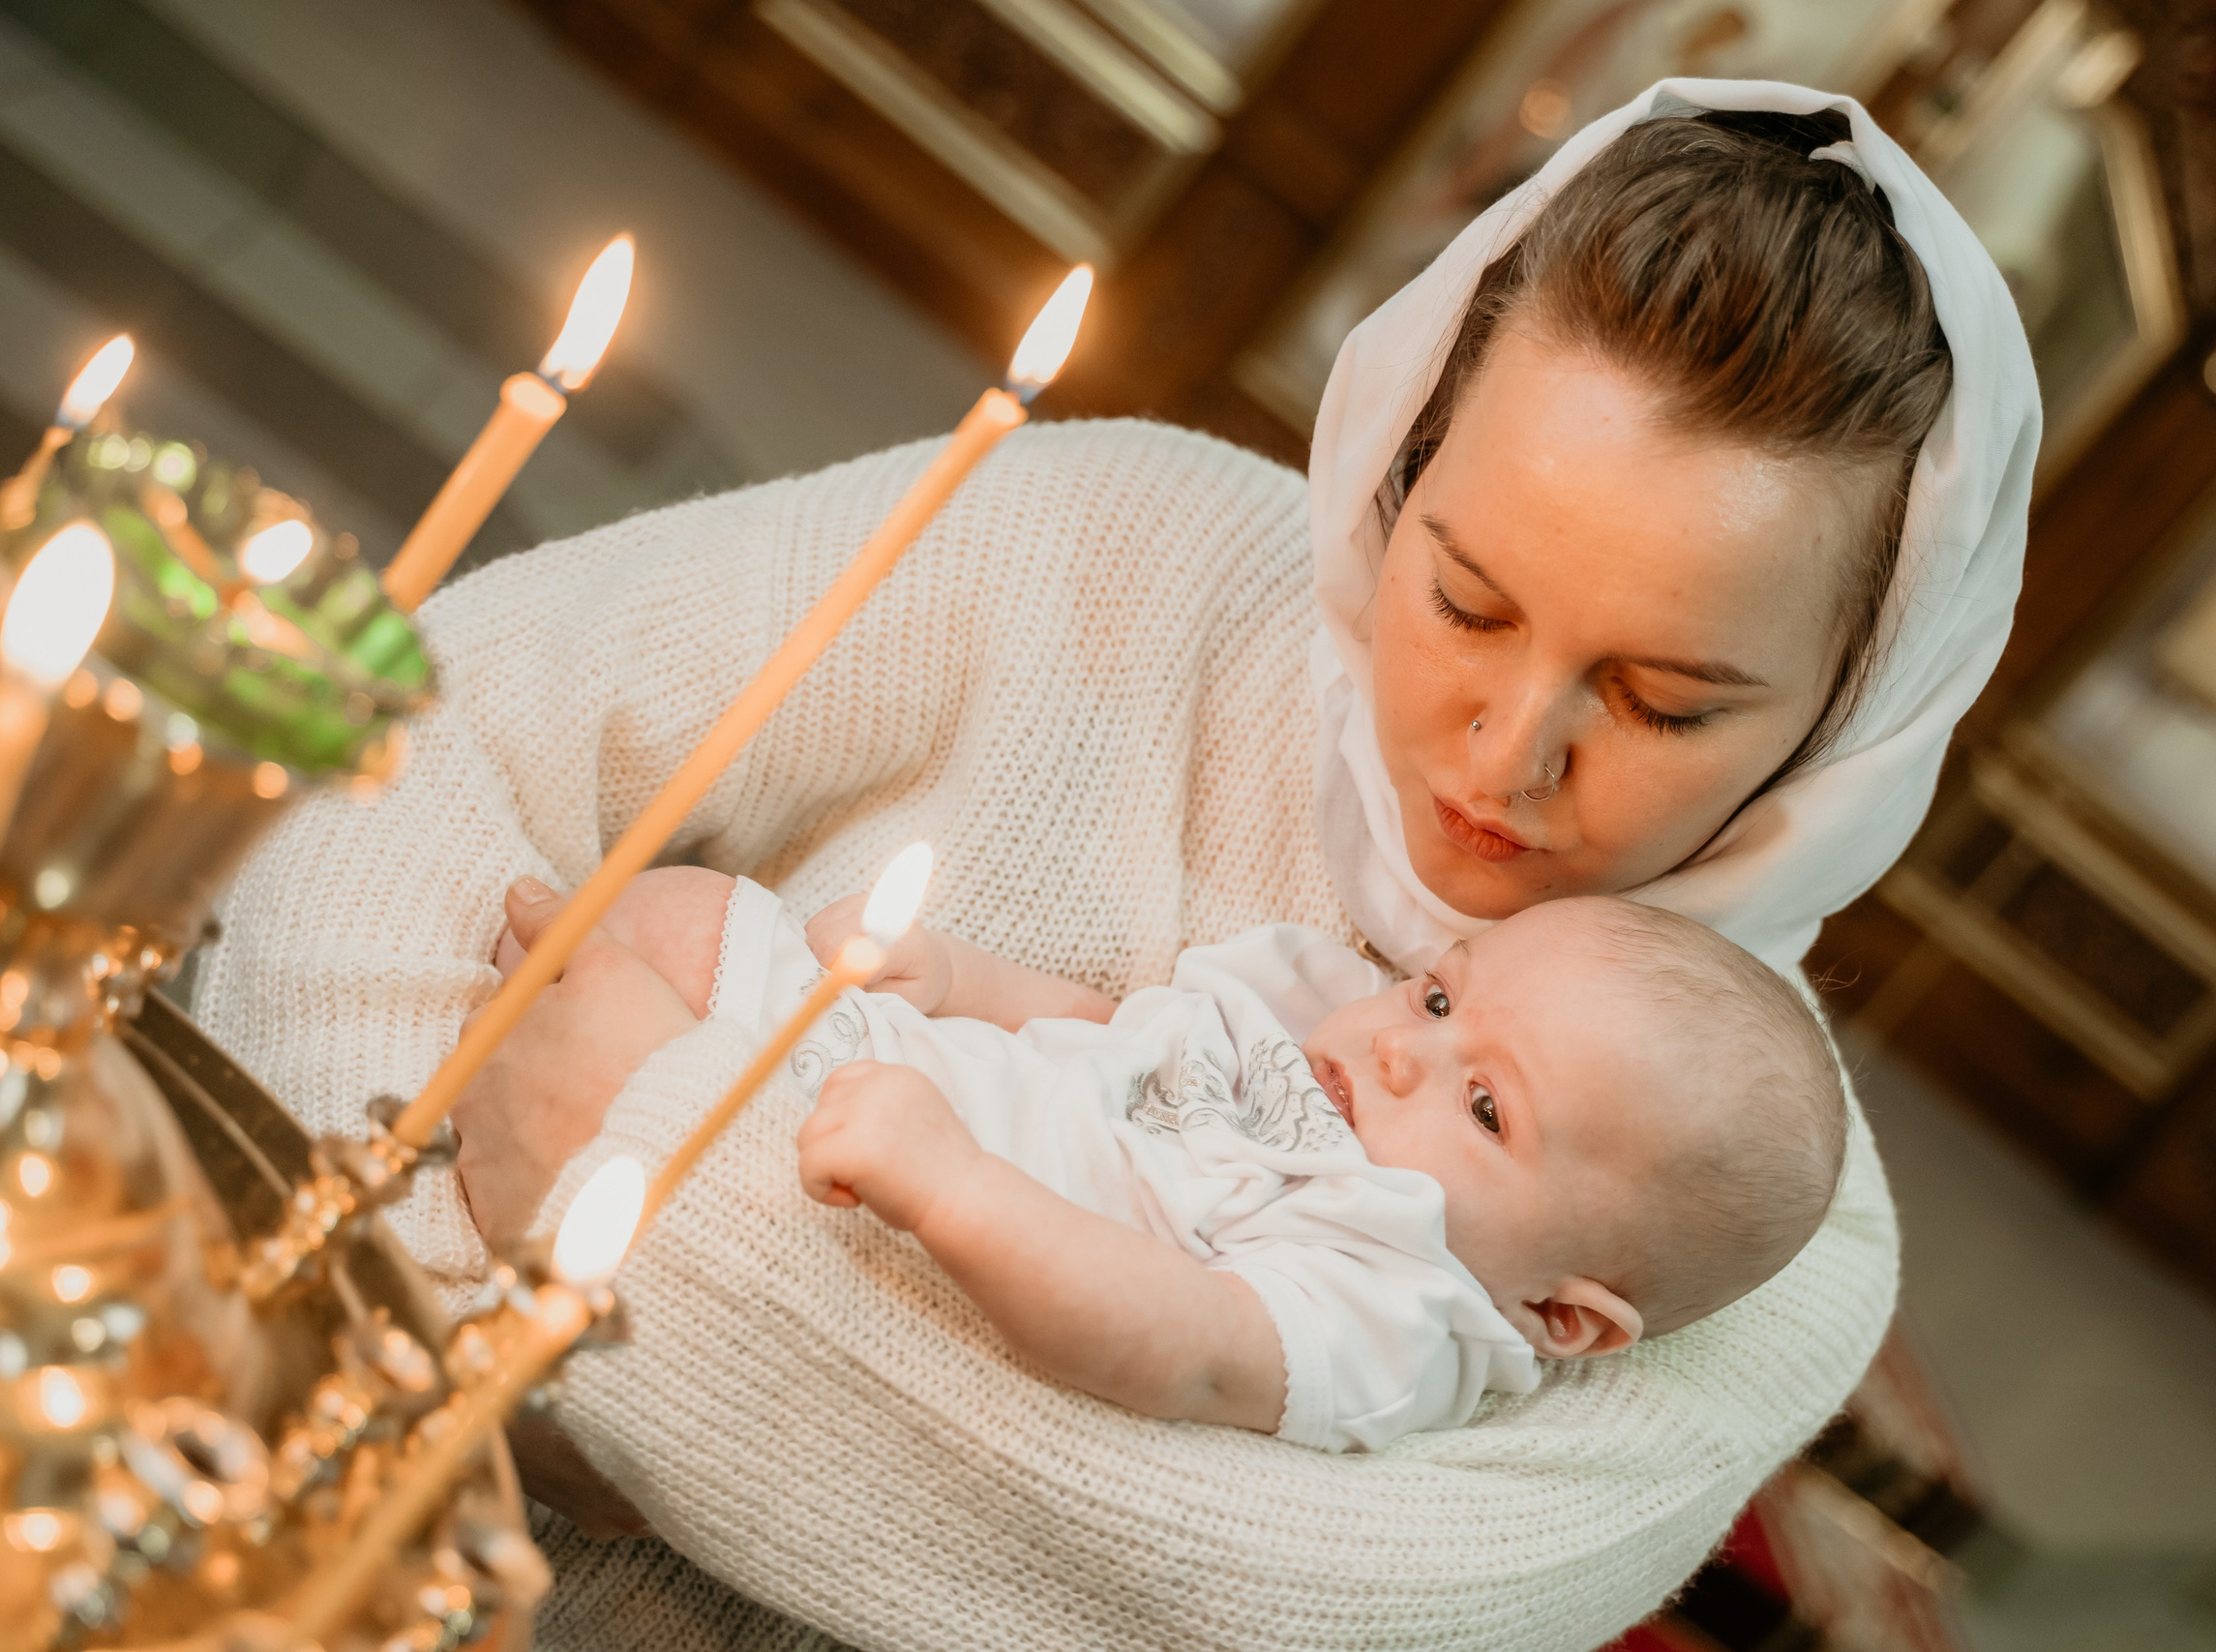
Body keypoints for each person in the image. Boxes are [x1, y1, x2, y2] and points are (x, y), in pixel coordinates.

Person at [196, 80, 2035, 1651]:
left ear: (1849, 727)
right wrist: (417, 1319)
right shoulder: (1121, 536)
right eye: (1463, 596)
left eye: (1660, 701)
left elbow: (1204, 1611)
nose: (1502, 752)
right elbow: (406, 750)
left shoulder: (1773, 1238)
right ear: (1396, 458)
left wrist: (573, 1191)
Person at [511, 867, 1847, 1455]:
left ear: (1560, 1311)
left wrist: (956, 1187)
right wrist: (967, 977)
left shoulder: (1401, 1303)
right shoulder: (1316, 1016)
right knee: (683, 916)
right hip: (886, 1060)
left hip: (863, 1207)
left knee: (606, 1072)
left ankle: (548, 1238)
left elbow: (1193, 1344)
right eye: (1440, 1001)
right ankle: (532, 1012)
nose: (1400, 1050)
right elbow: (1118, 1032)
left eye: (1486, 1107)